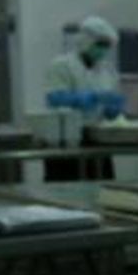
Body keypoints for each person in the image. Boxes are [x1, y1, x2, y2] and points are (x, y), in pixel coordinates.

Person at [44, 15, 125, 180]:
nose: (103, 49)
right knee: (67, 193)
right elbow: (53, 98)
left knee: (102, 188)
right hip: (67, 142)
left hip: (98, 141)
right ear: (86, 40)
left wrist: (113, 109)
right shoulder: (62, 65)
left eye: (107, 46)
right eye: (100, 44)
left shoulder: (107, 70)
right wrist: (81, 98)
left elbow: (110, 100)